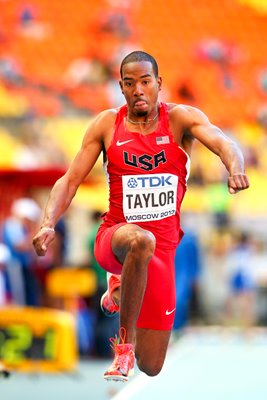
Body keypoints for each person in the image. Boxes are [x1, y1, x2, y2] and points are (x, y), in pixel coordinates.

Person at [32, 50, 250, 382]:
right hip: (115, 235)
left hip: (162, 252)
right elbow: (70, 179)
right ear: (121, 87)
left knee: (152, 366)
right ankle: (124, 346)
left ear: (158, 84)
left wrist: (235, 168)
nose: (138, 90)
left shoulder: (181, 119)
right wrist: (48, 223)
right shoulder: (107, 124)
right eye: (130, 83)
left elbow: (223, 142)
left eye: (145, 82)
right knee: (139, 239)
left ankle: (123, 289)